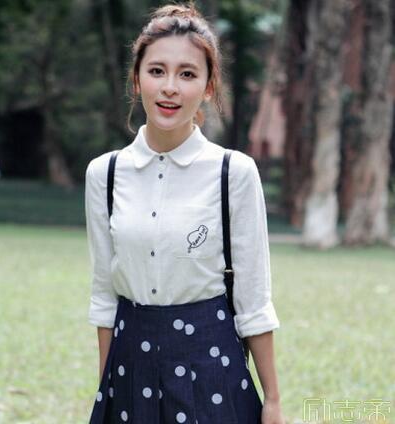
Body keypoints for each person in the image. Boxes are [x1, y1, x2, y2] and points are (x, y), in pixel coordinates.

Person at [85, 3, 284, 423]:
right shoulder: (105, 174)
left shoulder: (234, 172)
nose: (170, 88)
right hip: (129, 367)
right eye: (157, 71)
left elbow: (253, 300)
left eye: (188, 74)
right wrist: (108, 392)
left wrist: (273, 401)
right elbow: (105, 297)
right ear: (136, 80)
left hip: (213, 367)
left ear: (209, 87)